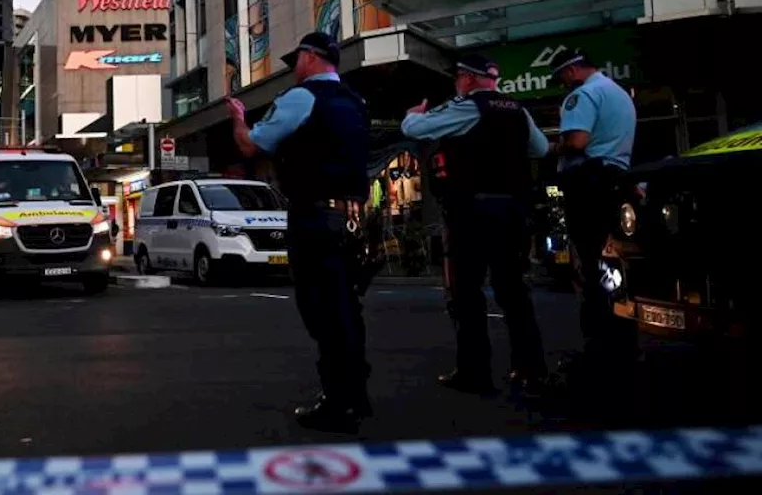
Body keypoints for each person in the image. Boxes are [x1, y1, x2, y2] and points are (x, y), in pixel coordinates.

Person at [226, 31, 372, 432]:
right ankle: (356, 393)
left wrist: (239, 119)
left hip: (315, 218)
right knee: (347, 309)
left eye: (297, 60)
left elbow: (251, 147)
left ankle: (339, 402)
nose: (294, 69)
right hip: (354, 217)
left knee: (322, 310)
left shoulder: (302, 97)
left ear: (310, 58)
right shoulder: (356, 102)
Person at [400, 54, 550, 396]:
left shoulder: (470, 108)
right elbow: (540, 148)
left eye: (458, 78)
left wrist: (413, 117)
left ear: (468, 78)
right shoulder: (518, 110)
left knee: (467, 292)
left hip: (473, 211)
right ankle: (531, 368)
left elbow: (416, 130)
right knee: (514, 290)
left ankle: (474, 370)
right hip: (512, 210)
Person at [546, 48, 638, 386]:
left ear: (570, 72)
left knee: (587, 267)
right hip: (615, 184)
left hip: (588, 185)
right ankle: (623, 342)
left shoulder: (581, 96)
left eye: (560, 78)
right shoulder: (618, 94)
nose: (561, 85)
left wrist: (553, 147)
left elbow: (577, 141)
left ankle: (597, 348)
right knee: (612, 266)